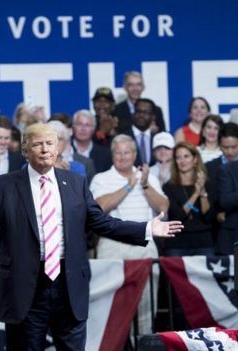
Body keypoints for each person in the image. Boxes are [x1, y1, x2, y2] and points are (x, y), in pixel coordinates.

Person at [0, 123, 183, 350]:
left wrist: (146, 229)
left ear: (58, 148)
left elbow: (102, 222)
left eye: (49, 143)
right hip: (26, 287)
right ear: (25, 151)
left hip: (69, 286)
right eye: (37, 144)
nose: (45, 149)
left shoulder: (75, 183)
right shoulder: (5, 185)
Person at [90, 134, 169, 335]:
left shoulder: (148, 178)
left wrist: (143, 184)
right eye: (118, 152)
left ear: (135, 154)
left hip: (144, 242)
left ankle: (142, 343)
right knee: (112, 303)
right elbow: (100, 207)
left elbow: (163, 208)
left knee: (146, 303)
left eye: (127, 152)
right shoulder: (101, 178)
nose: (123, 156)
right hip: (112, 244)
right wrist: (128, 185)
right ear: (112, 155)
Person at [162, 142, 215, 256]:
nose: (182, 161)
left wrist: (202, 193)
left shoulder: (208, 184)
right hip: (177, 244)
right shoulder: (168, 187)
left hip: (203, 243)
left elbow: (208, 216)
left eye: (186, 156)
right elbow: (178, 216)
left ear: (195, 159)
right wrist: (195, 194)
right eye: (178, 157)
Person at [119, 98, 159, 166]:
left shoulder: (158, 138)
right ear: (133, 113)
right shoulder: (122, 138)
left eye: (146, 112)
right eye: (138, 111)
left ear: (153, 117)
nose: (141, 115)